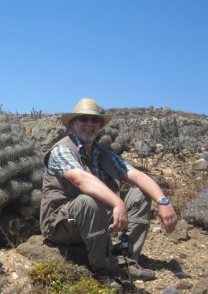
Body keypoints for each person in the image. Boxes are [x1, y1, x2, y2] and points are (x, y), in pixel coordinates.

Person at [40, 98, 178, 289]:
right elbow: (81, 179)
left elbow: (137, 176)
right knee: (88, 201)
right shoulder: (62, 150)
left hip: (96, 217)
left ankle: (126, 259)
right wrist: (117, 203)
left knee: (139, 194)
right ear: (72, 123)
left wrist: (164, 202)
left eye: (94, 120)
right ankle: (101, 270)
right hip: (61, 222)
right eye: (83, 119)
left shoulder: (102, 152)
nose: (89, 124)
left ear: (100, 125)